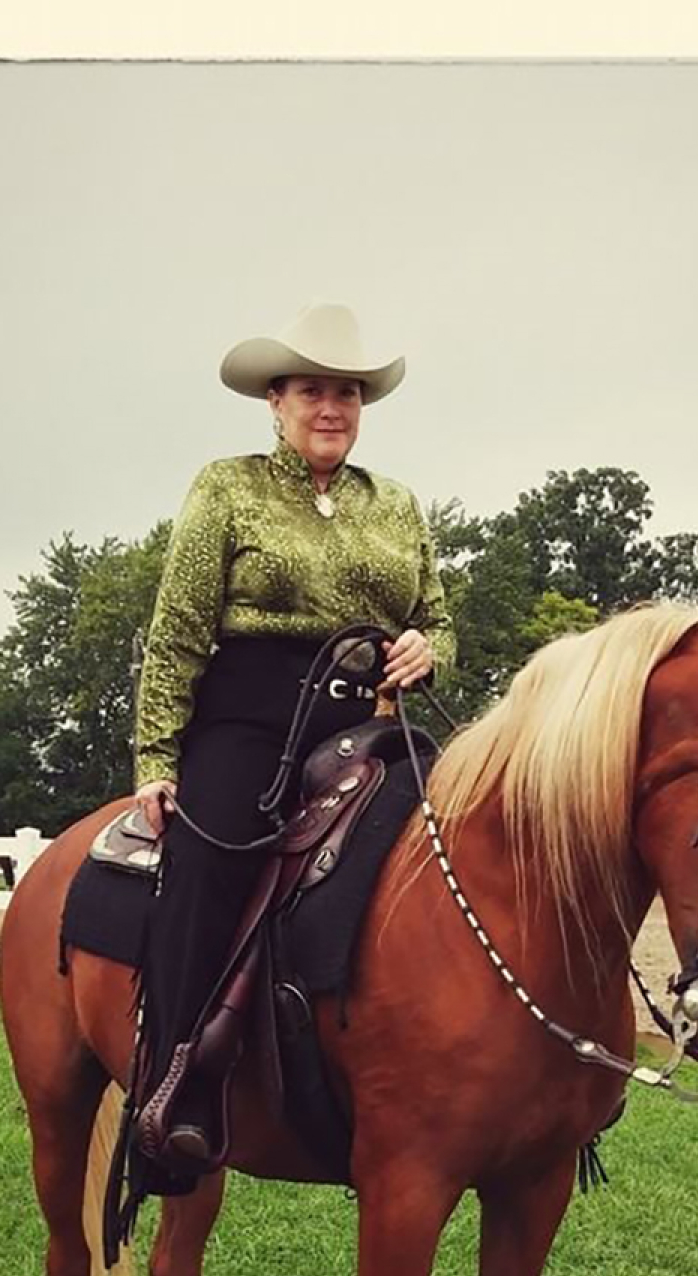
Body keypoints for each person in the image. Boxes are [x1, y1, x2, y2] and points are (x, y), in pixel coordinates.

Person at [130, 302, 454, 1176]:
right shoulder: (227, 487)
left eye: (347, 392)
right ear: (275, 400)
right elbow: (178, 631)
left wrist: (429, 650)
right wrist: (157, 761)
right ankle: (174, 1092)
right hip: (248, 719)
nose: (331, 407)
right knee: (210, 859)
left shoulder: (397, 504)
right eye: (312, 390)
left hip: (368, 728)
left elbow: (437, 621)